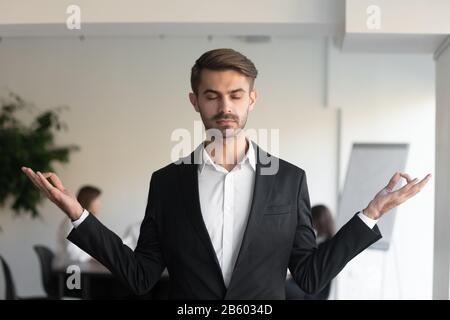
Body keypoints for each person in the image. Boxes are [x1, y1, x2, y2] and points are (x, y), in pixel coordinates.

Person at [21, 48, 432, 299]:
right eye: (212, 96)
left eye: (236, 95)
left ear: (252, 100)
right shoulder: (167, 183)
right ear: (195, 102)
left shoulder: (289, 180)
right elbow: (141, 276)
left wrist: (371, 215)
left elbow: (309, 276)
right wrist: (78, 215)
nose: (225, 107)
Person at [285, 204, 335, 300]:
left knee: (279, 286)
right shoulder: (320, 241)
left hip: (314, 294)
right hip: (307, 288)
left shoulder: (326, 244)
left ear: (320, 220)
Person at [56, 185, 101, 263]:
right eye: (97, 200)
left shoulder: (85, 222)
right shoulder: (71, 221)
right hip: (70, 270)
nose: (100, 204)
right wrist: (93, 257)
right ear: (89, 201)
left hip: (79, 267)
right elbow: (72, 254)